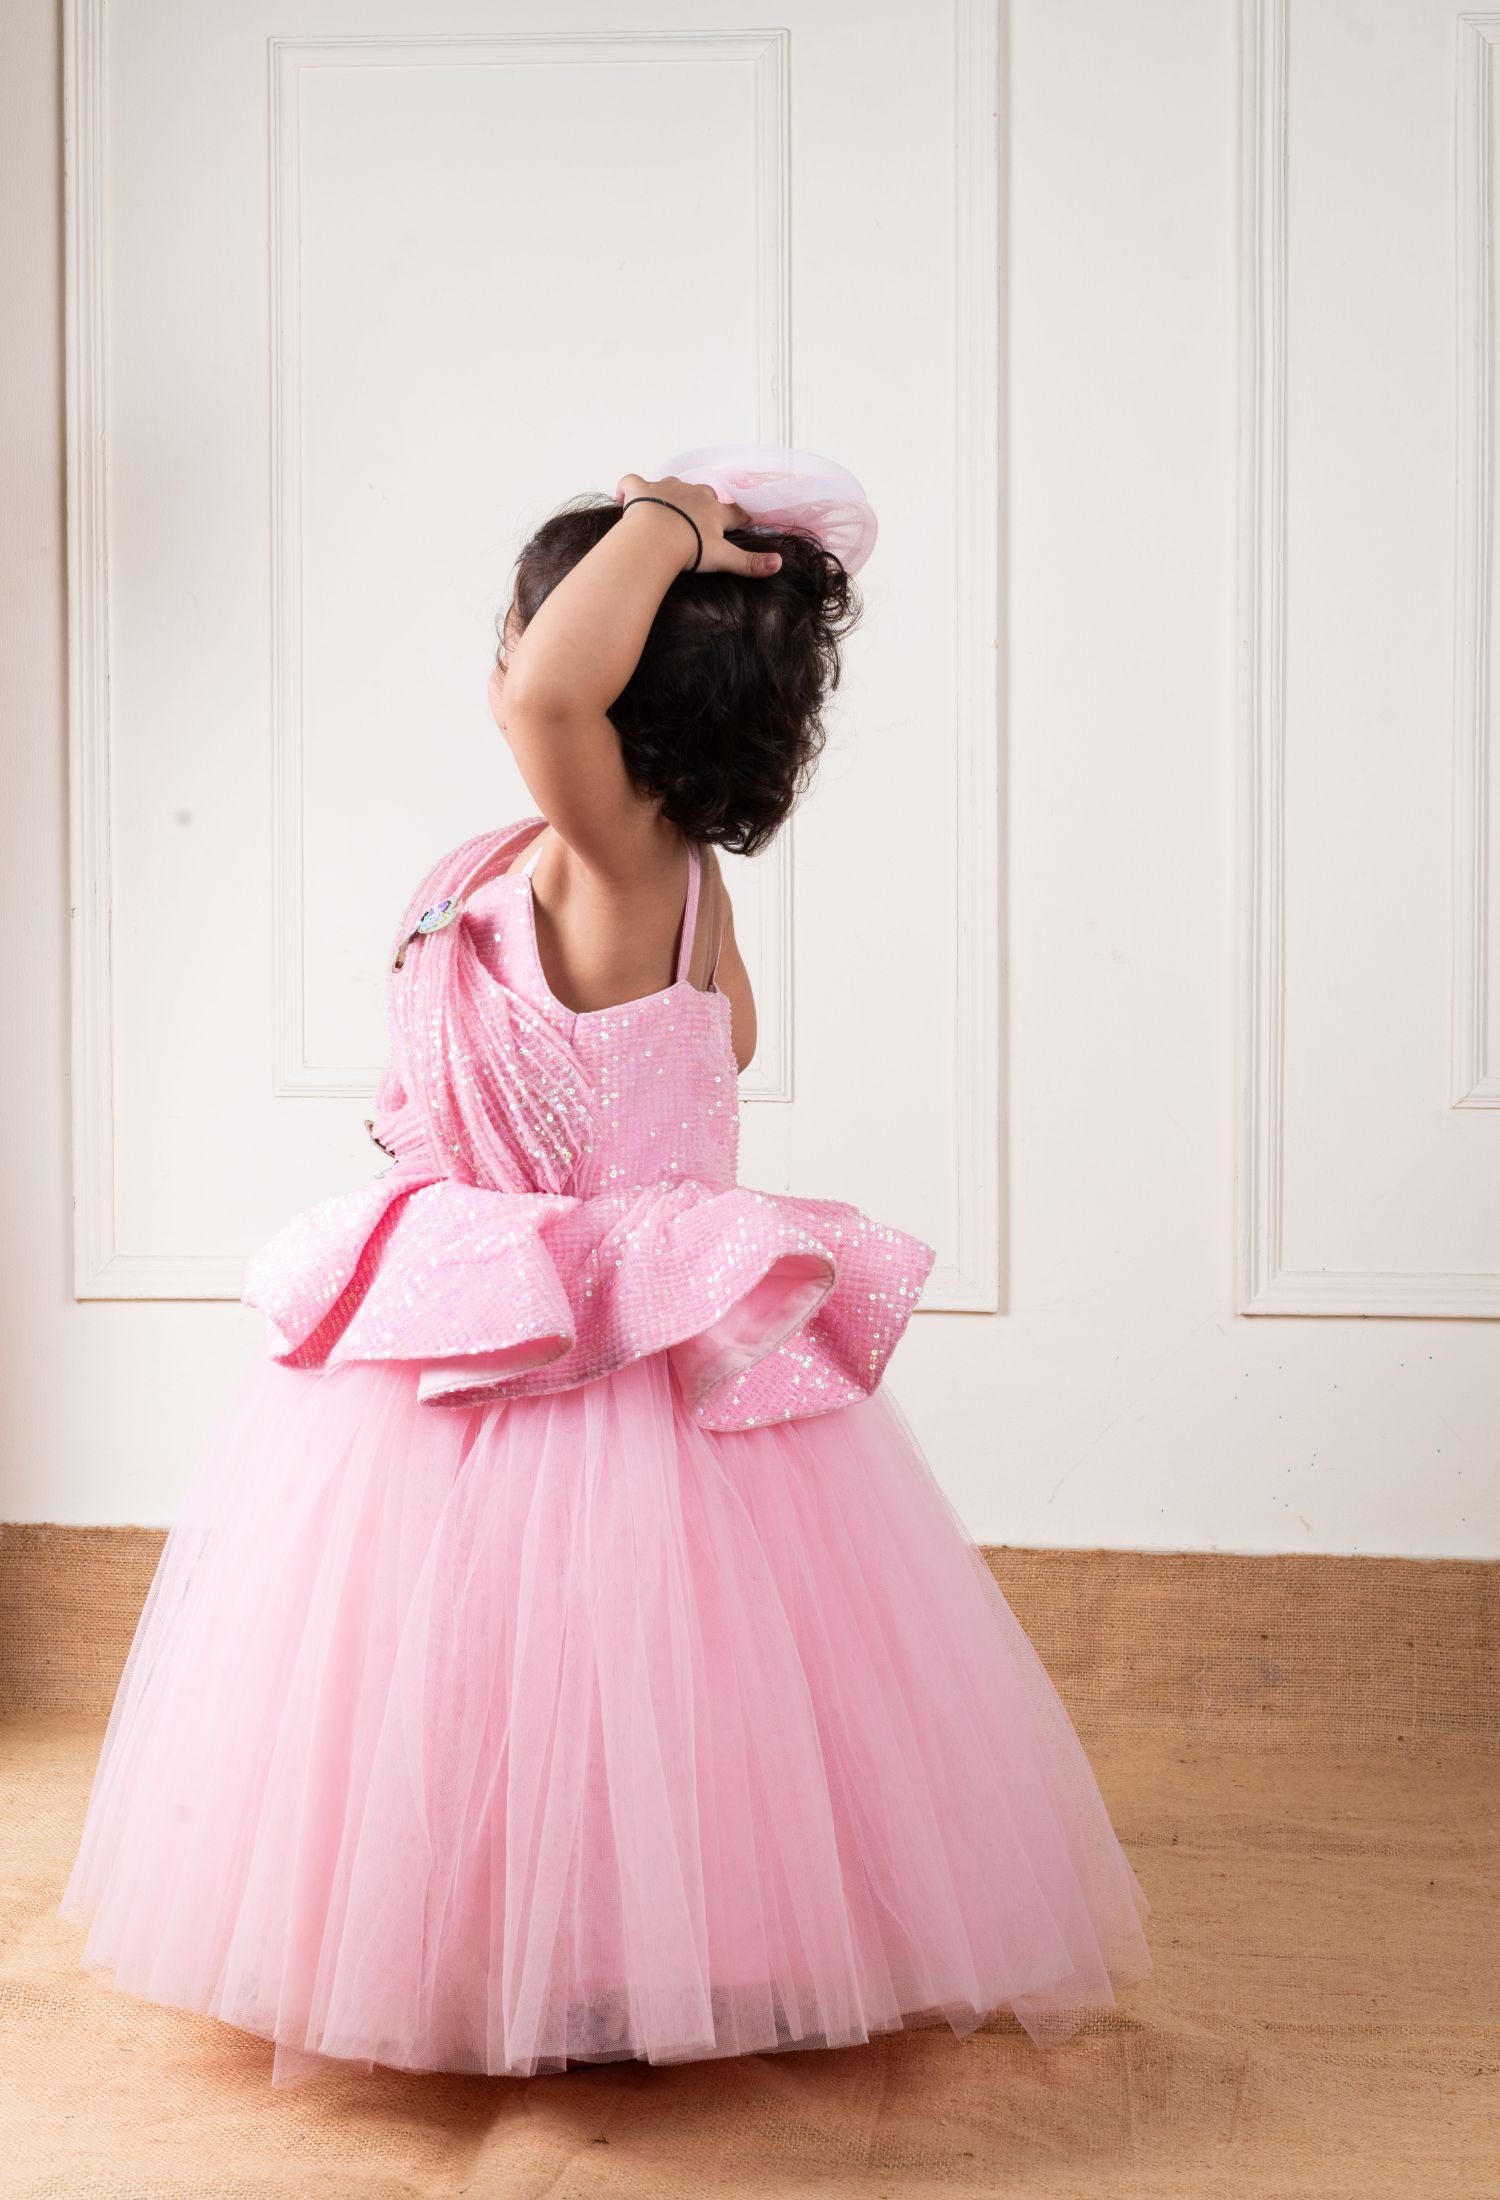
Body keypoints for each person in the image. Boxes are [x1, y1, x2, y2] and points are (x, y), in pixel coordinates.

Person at [60, 449, 1150, 2089]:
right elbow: (720, 1043)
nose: (519, 649)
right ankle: (518, 1935)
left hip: (578, 1343)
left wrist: (672, 522)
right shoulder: (575, 866)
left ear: (604, 671)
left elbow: (550, 709)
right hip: (482, 1303)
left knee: (588, 1659)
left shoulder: (614, 847)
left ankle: (601, 1956)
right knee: (485, 1674)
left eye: (550, 622)